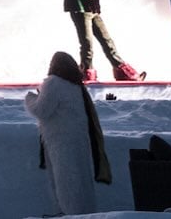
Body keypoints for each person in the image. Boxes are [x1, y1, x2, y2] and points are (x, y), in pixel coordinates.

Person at [24, 50, 111, 215]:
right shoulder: (76, 86)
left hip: (60, 142)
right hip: (78, 139)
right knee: (81, 182)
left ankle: (69, 214)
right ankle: (84, 214)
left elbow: (42, 110)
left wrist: (29, 98)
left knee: (65, 182)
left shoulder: (53, 82)